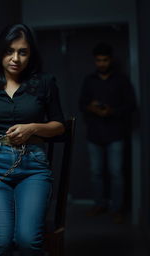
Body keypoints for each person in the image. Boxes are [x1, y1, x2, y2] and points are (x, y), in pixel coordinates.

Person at [0, 23, 65, 255]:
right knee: (1, 241)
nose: (15, 58)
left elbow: (60, 126)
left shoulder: (45, 83)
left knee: (26, 240)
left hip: (33, 168)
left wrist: (33, 128)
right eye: (9, 51)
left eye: (22, 52)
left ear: (30, 55)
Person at [79, 42, 136, 224]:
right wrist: (93, 108)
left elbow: (130, 105)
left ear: (110, 60)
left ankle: (117, 208)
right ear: (95, 61)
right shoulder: (89, 80)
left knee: (116, 173)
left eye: (105, 60)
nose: (102, 64)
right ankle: (99, 204)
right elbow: (82, 104)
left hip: (115, 133)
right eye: (98, 60)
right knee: (96, 172)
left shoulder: (122, 80)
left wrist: (111, 111)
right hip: (94, 134)